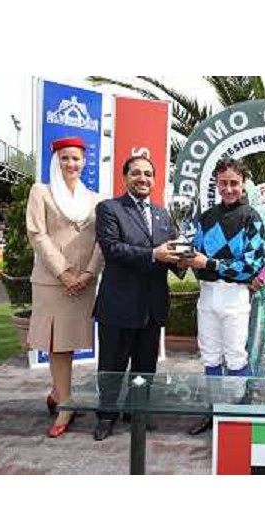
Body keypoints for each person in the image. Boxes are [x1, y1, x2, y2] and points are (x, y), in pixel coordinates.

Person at [92, 155, 181, 441]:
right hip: (119, 304)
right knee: (112, 366)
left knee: (145, 367)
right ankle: (106, 416)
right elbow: (112, 249)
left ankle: (137, 411)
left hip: (152, 306)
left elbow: (173, 250)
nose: (142, 178)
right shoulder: (109, 209)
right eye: (136, 173)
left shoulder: (163, 214)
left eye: (148, 174)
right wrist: (154, 255)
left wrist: (183, 260)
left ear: (155, 180)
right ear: (125, 177)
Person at [181, 158, 265, 435]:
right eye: (224, 183)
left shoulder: (252, 217)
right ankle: (213, 412)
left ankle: (239, 414)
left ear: (243, 185)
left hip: (235, 296)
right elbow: (194, 253)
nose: (228, 188)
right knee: (210, 356)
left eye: (234, 183)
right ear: (216, 183)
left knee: (236, 356)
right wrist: (182, 255)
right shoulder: (205, 217)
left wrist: (211, 264)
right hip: (207, 295)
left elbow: (251, 266)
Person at [26, 136, 103, 438]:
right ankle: (66, 403)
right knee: (57, 343)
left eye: (76, 158)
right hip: (52, 281)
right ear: (55, 160)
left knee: (69, 342)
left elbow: (101, 241)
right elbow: (37, 235)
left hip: (83, 282)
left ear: (85, 162)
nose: (71, 164)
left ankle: (59, 393)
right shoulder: (40, 192)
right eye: (65, 158)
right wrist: (64, 273)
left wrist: (87, 273)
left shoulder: (94, 199)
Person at [244, 175, 265, 382]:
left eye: (246, 192)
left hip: (261, 291)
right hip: (234, 289)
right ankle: (227, 393)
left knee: (258, 340)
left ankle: (255, 388)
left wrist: (258, 280)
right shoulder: (227, 215)